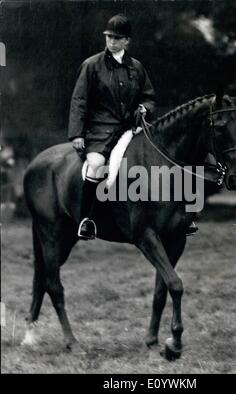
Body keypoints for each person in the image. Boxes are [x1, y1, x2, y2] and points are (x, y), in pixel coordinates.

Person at [68, 14, 156, 240]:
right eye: (109, 37)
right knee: (96, 165)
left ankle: (171, 216)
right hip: (99, 131)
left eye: (117, 38)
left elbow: (149, 97)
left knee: (155, 159)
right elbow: (79, 101)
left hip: (129, 130)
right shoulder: (91, 65)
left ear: (127, 41)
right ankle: (86, 220)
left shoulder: (137, 68)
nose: (112, 42)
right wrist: (77, 133)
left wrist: (145, 109)